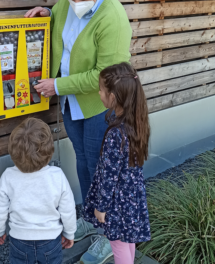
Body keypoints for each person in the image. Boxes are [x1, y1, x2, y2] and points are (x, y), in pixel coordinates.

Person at [25, 0, 133, 262]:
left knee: (102, 170)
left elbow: (105, 75)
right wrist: (48, 14)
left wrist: (58, 85)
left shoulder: (112, 15)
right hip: (72, 104)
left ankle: (110, 236)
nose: (73, 1)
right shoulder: (66, 4)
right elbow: (65, 32)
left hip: (100, 106)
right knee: (84, 162)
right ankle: (92, 217)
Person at [82, 62, 152, 264]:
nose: (99, 93)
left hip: (117, 202)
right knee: (127, 240)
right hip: (131, 195)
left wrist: (101, 207)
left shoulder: (116, 134)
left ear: (114, 96)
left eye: (102, 90)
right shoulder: (136, 122)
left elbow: (109, 176)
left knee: (118, 244)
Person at [0, 118, 77, 264]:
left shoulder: (8, 176)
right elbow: (68, 209)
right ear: (49, 150)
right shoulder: (57, 175)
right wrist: (69, 233)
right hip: (50, 240)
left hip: (19, 240)